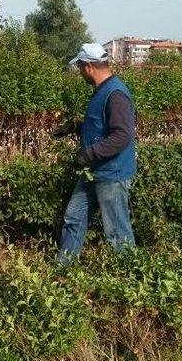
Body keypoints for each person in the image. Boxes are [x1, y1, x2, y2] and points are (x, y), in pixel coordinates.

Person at [53, 43, 136, 265]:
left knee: (117, 231)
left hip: (111, 173)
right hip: (93, 171)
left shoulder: (115, 93)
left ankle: (131, 276)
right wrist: (74, 127)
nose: (80, 73)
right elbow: (101, 128)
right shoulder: (103, 91)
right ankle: (64, 267)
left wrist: (89, 154)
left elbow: (121, 135)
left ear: (89, 66)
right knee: (74, 217)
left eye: (80, 68)